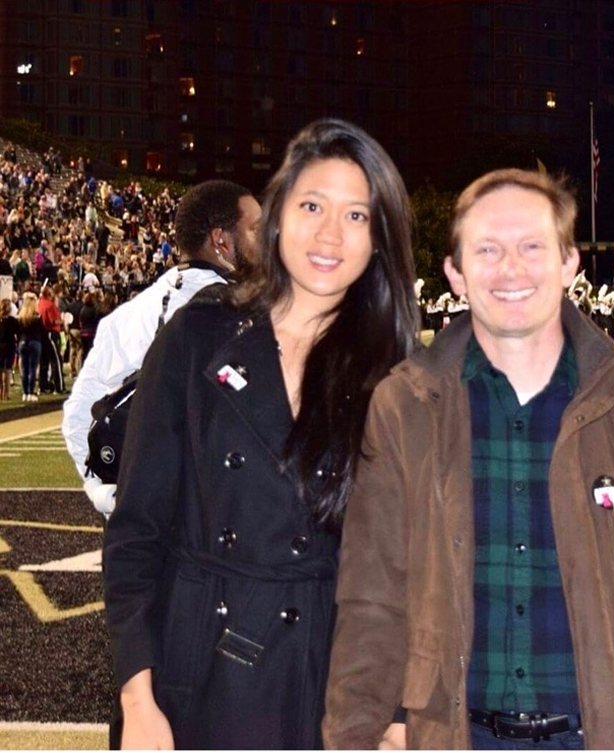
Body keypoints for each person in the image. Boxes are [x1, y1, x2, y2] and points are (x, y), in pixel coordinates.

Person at [323, 168, 614, 750]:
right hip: (454, 737)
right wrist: (355, 735)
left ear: (568, 262)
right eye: (488, 249)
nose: (511, 269)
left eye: (532, 247)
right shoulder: (405, 407)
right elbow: (372, 598)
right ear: (455, 272)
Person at [101, 119, 419, 750]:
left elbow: (407, 568)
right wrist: (137, 700)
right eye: (312, 206)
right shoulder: (199, 335)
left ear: (379, 238)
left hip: (325, 683)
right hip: (192, 672)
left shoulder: (398, 374)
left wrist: (401, 714)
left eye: (357, 216)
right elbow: (136, 529)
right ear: (277, 218)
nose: (331, 233)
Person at [63, 179, 262, 516]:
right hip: (212, 537)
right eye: (256, 229)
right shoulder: (245, 317)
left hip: (137, 535)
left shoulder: (125, 316)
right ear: (221, 241)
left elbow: (78, 417)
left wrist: (105, 495)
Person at [36, 285, 65, 394]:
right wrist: (62, 320)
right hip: (51, 333)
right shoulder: (50, 305)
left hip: (41, 334)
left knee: (43, 361)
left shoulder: (39, 303)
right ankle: (59, 386)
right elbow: (53, 321)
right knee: (56, 360)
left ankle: (42, 386)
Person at [17, 291, 44, 401]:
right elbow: (42, 331)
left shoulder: (20, 317)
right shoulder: (37, 317)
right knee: (33, 369)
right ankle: (31, 392)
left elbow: (18, 332)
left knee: (24, 369)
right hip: (35, 342)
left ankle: (25, 393)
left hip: (23, 342)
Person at [0, 298, 20, 400]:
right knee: (7, 370)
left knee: (0, 370)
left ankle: (0, 392)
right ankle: (6, 393)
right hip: (9, 346)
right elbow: (18, 333)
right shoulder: (12, 321)